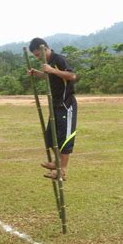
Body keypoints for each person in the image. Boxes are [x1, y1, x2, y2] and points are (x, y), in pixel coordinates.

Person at [27, 37, 77, 180]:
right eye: (35, 56)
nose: (37, 57)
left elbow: (72, 75)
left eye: (38, 54)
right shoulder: (47, 63)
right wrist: (38, 73)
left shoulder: (58, 59)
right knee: (51, 135)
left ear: (45, 48)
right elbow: (51, 78)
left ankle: (63, 170)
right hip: (54, 105)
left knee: (65, 138)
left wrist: (52, 70)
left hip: (66, 104)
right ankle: (57, 162)